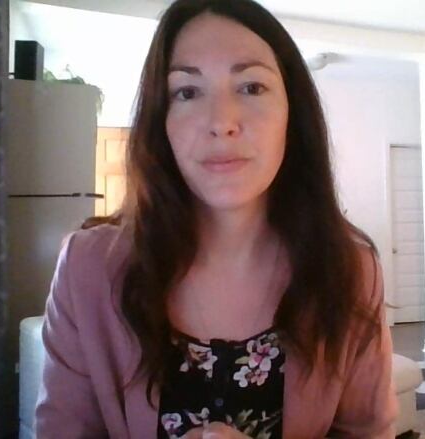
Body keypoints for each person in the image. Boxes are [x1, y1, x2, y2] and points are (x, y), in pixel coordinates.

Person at [34, 0, 397, 437]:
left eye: (251, 87)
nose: (221, 122)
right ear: (160, 122)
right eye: (187, 92)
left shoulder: (350, 270)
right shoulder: (86, 268)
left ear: (292, 114)